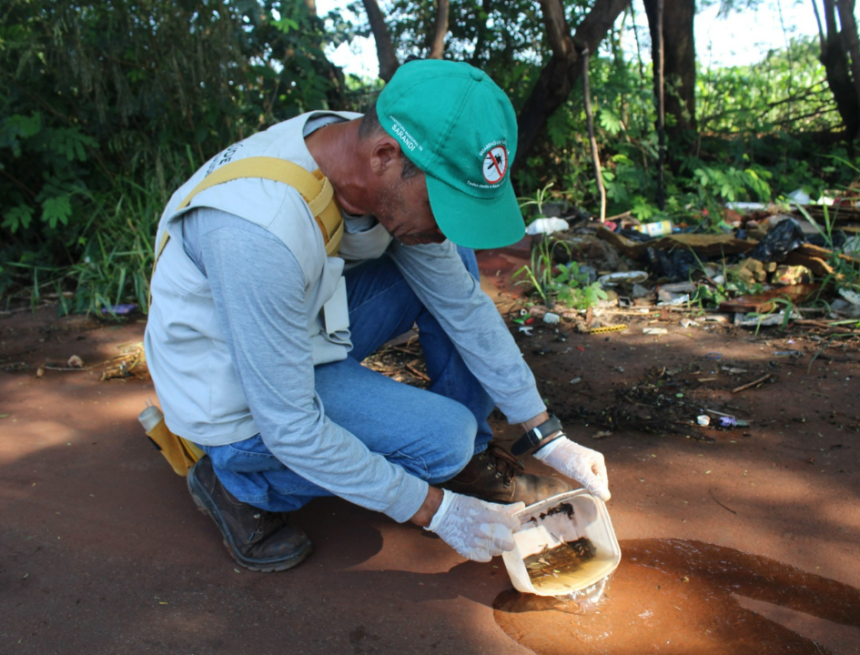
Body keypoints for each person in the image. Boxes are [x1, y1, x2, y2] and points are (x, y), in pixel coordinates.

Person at [144, 59, 610, 573]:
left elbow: (462, 306)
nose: (446, 225)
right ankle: (237, 482)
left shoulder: (370, 152)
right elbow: (292, 427)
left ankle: (464, 462)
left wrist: (547, 434)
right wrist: (435, 511)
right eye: (445, 205)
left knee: (450, 259)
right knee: (443, 436)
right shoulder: (256, 231)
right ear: (386, 157)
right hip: (234, 386)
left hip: (295, 326)